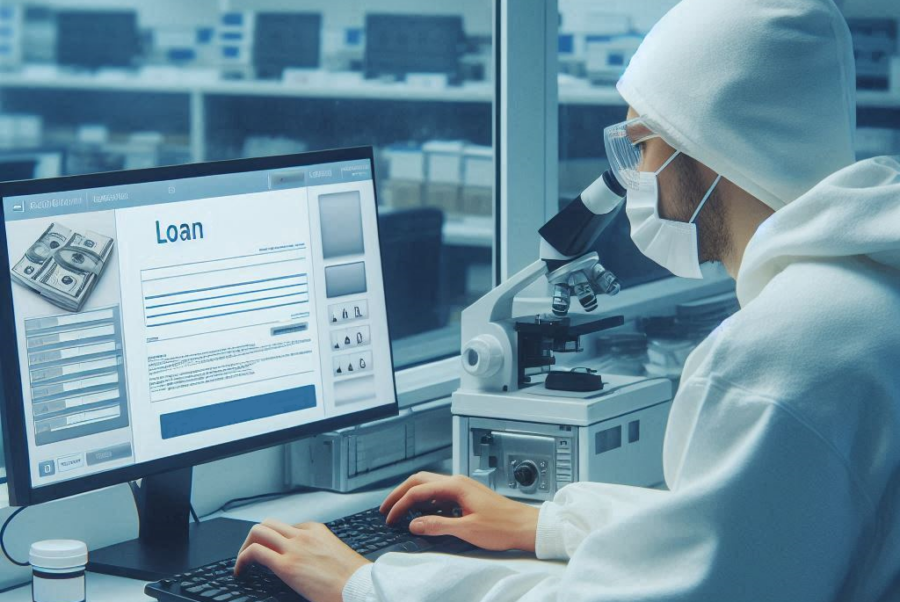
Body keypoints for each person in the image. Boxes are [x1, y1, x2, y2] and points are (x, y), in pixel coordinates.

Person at [233, 0, 900, 599]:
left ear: (712, 144)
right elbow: (753, 527)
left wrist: (368, 585)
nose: (637, 177)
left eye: (642, 145)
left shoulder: (782, 352)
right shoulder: (858, 297)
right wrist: (548, 523)